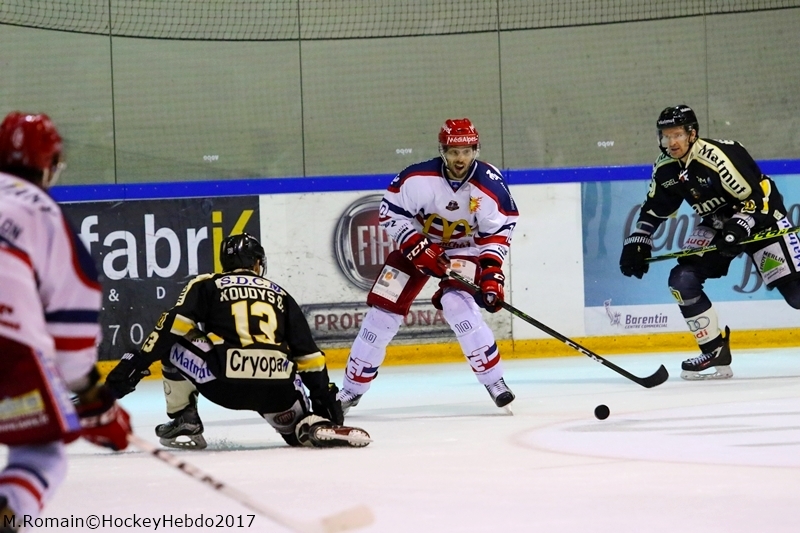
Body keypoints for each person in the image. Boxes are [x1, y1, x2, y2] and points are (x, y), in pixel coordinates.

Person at [104, 233, 370, 449]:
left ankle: (184, 418)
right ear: (256, 263)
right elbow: (309, 357)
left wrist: (136, 364)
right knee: (298, 423)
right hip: (276, 390)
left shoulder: (208, 284)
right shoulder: (281, 294)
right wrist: (325, 400)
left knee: (175, 341)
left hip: (224, 386)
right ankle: (309, 425)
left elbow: (172, 327)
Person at [0, 112, 131, 532]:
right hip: (8, 345)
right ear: (49, 165)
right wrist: (98, 407)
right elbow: (71, 341)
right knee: (40, 454)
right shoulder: (42, 210)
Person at [336, 118, 520, 413]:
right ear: (442, 150)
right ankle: (351, 389)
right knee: (382, 312)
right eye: (453, 152)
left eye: (467, 151)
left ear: (476, 149)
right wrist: (414, 243)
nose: (461, 159)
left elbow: (497, 232)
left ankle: (494, 380)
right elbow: (389, 214)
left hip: (465, 249)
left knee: (457, 304)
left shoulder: (489, 185)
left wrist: (491, 274)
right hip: (416, 248)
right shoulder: (416, 178)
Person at [620, 104, 800, 380]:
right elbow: (656, 207)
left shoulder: (717, 157)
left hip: (764, 220)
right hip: (718, 223)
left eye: (677, 134)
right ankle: (714, 351)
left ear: (692, 134)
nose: (671, 142)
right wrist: (639, 238)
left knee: (796, 295)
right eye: (665, 136)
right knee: (683, 280)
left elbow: (758, 197)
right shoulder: (666, 167)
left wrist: (739, 227)